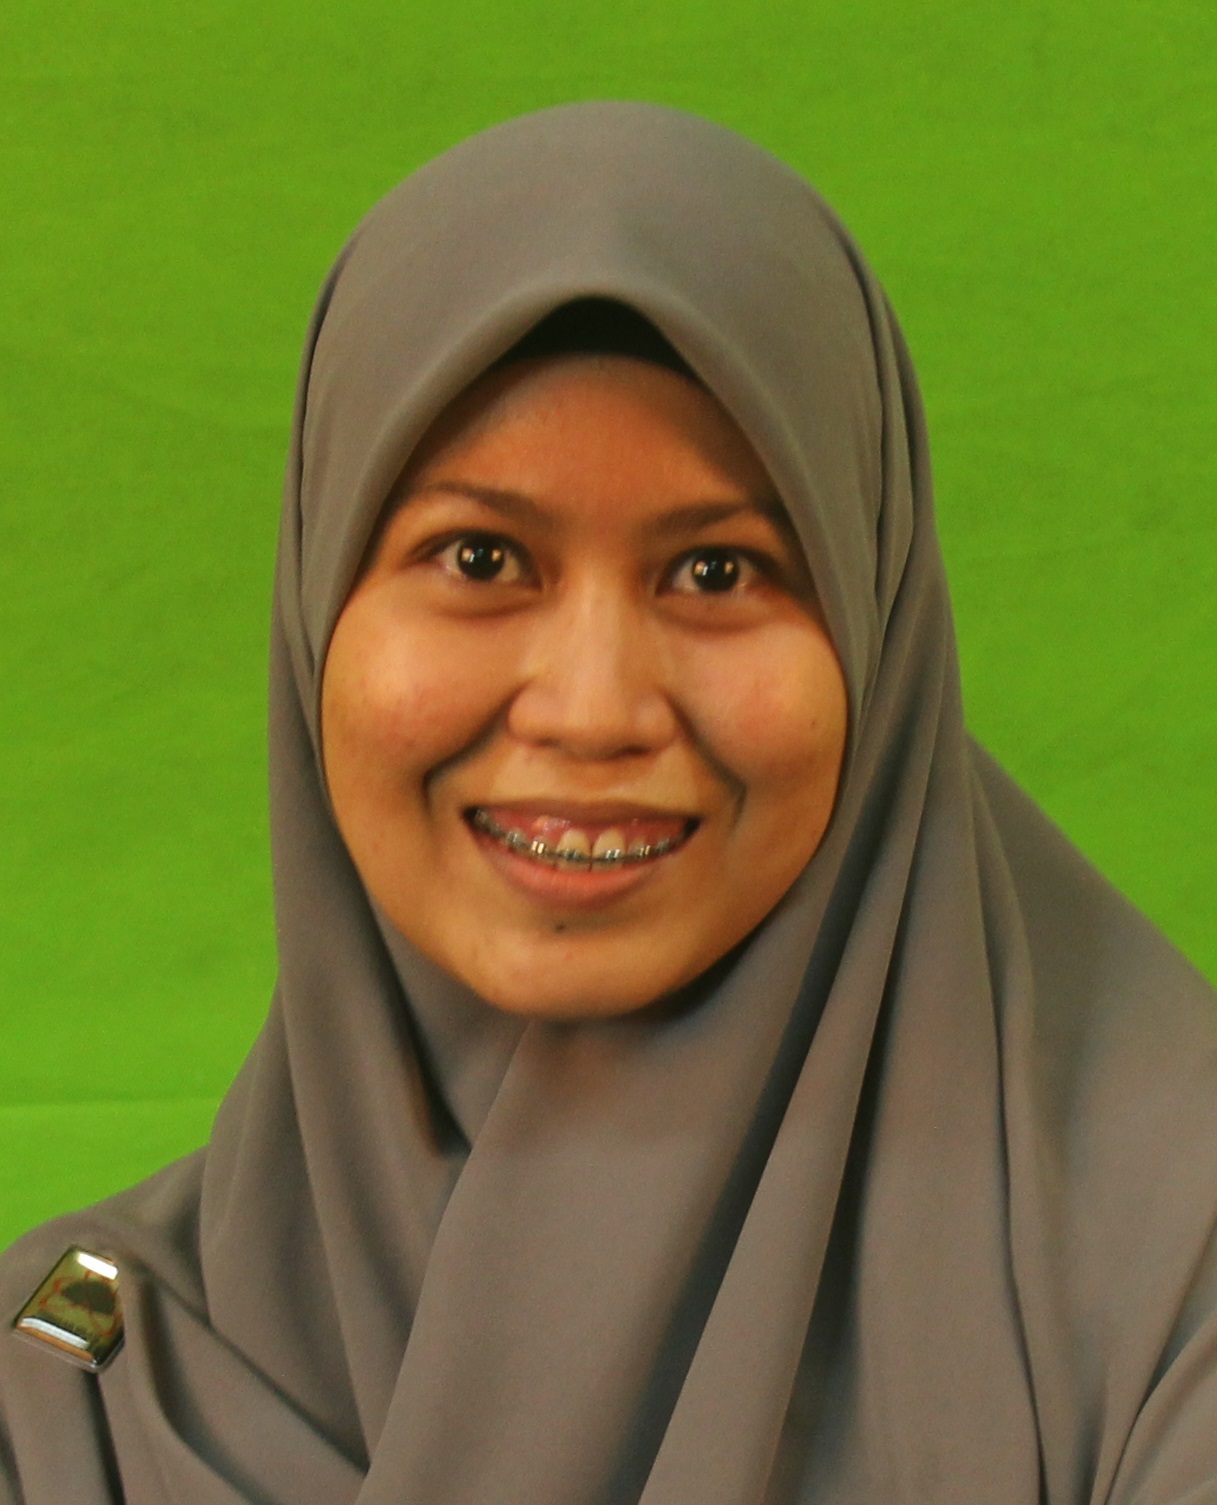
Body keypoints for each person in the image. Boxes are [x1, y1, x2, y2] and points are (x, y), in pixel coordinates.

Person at [2, 100, 1215, 1505]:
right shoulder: (87, 1366)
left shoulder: (1165, 1275)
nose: (591, 709)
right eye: (478, 556)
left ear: (876, 632)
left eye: (718, 572)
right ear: (316, 607)